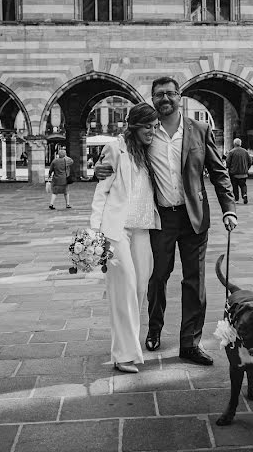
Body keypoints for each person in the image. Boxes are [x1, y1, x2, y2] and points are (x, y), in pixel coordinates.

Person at [95, 76, 237, 366]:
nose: (165, 99)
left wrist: (229, 208)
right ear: (153, 98)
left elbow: (219, 171)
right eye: (159, 94)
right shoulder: (148, 132)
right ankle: (154, 329)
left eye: (170, 93)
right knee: (156, 277)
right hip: (160, 217)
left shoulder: (200, 129)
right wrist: (100, 164)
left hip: (194, 216)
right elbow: (122, 149)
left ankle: (190, 343)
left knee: (194, 281)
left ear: (180, 95)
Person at [90, 103, 162, 374]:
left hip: (142, 228)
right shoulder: (115, 148)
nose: (152, 132)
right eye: (147, 127)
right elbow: (102, 191)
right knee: (125, 289)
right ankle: (123, 354)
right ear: (134, 126)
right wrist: (97, 232)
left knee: (141, 287)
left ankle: (129, 346)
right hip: (117, 229)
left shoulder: (147, 151)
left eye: (155, 127)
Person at [225, 138, 251, 204]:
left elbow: (228, 162)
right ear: (240, 144)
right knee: (243, 185)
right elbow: (250, 161)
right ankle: (244, 194)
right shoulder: (245, 151)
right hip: (243, 172)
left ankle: (236, 199)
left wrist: (228, 168)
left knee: (235, 186)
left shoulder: (231, 152)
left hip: (234, 173)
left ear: (234, 144)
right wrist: (246, 168)